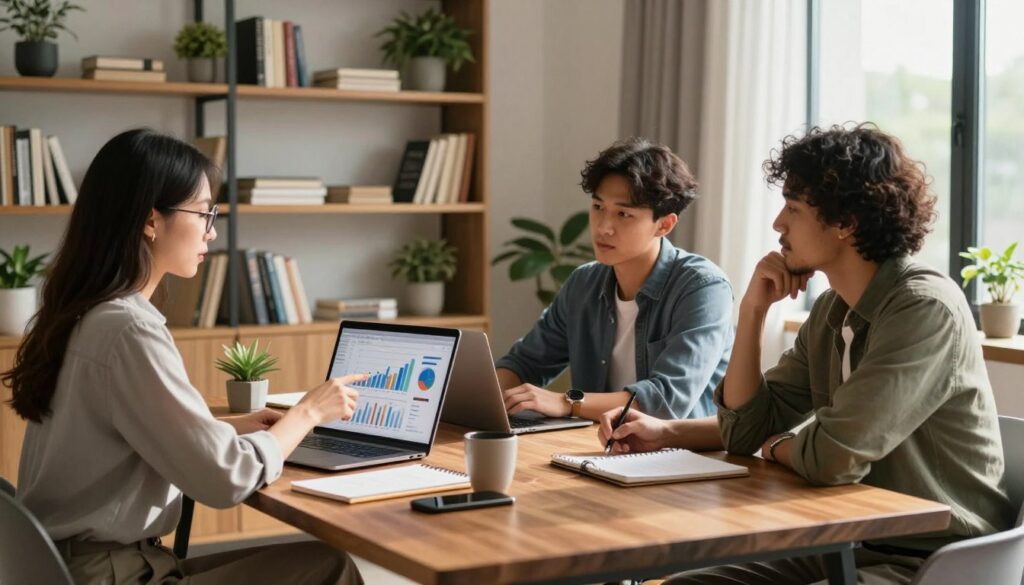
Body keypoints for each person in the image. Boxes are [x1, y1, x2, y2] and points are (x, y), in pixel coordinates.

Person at [600, 124, 1013, 584]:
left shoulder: (923, 309)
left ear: (846, 223)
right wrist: (753, 312)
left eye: (793, 208)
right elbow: (745, 430)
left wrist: (775, 446)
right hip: (849, 541)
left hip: (933, 556)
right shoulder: (833, 310)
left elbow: (831, 459)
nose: (779, 224)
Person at [2, 129, 366, 585]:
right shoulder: (129, 329)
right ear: (151, 221)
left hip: (70, 566)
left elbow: (113, 432)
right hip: (112, 575)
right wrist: (309, 412)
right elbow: (224, 480)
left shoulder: (83, 314)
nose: (212, 231)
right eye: (203, 212)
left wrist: (223, 429)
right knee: (329, 568)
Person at [496, 138, 734, 421]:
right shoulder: (583, 284)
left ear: (664, 224)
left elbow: (666, 400)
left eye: (623, 214)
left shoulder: (702, 287)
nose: (604, 227)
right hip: (593, 447)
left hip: (680, 456)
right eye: (598, 207)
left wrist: (568, 402)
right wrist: (490, 395)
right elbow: (525, 363)